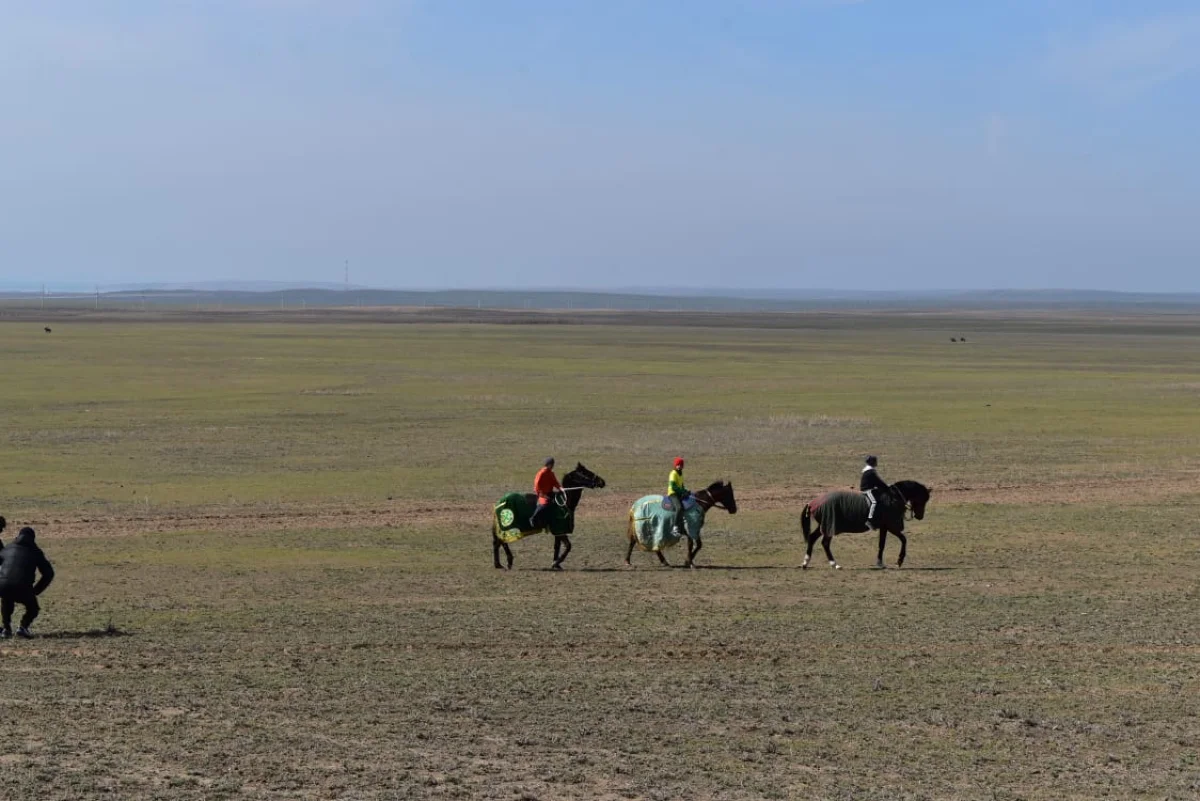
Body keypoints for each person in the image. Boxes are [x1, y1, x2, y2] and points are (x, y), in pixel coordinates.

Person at [0, 527, 54, 639]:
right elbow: (49, 573)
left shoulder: (7, 548)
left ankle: (6, 629)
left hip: (3, 586)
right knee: (33, 608)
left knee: (6, 599)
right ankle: (23, 627)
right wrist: (36, 591)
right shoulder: (35, 551)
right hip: (23, 587)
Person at [529, 457, 563, 530]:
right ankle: (533, 518)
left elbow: (555, 482)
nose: (553, 466)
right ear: (548, 464)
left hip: (550, 492)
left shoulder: (551, 473)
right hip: (542, 494)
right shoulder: (541, 473)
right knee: (545, 504)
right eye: (552, 464)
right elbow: (536, 485)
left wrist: (560, 488)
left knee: (559, 499)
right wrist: (542, 495)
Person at [860, 455, 889, 530]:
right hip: (867, 490)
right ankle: (869, 520)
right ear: (872, 462)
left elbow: (877, 482)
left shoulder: (869, 471)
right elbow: (878, 482)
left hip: (872, 489)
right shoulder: (870, 472)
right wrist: (886, 487)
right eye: (875, 461)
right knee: (874, 502)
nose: (876, 462)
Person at [668, 457, 689, 537]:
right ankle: (674, 528)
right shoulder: (673, 473)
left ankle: (681, 528)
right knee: (679, 508)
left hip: (679, 494)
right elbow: (673, 487)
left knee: (685, 508)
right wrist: (682, 491)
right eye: (678, 465)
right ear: (675, 465)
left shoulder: (680, 474)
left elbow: (681, 485)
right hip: (673, 494)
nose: (679, 466)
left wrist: (685, 491)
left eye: (681, 465)